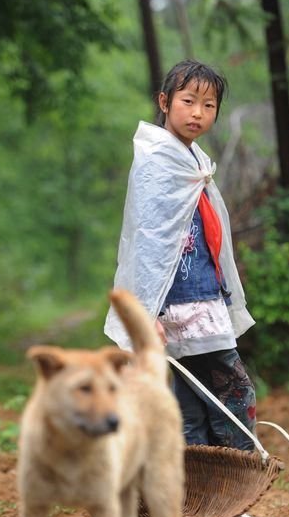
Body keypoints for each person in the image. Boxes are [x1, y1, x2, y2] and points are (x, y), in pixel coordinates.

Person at [105, 59, 257, 452]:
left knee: (190, 404)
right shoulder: (158, 162)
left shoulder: (192, 160)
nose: (198, 113)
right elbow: (147, 242)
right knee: (234, 395)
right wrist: (148, 312)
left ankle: (202, 503)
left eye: (209, 106)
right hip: (180, 304)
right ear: (165, 101)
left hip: (203, 296)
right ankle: (227, 495)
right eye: (188, 101)